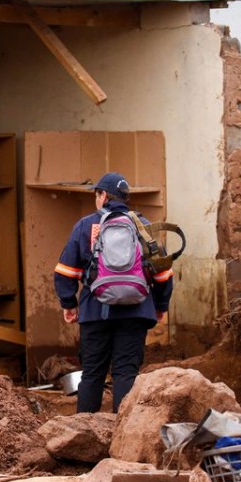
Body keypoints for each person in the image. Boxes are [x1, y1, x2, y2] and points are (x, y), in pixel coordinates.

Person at [53, 172, 174, 413]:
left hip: (95, 311)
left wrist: (69, 304)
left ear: (103, 195)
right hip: (136, 311)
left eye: (97, 194)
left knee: (92, 373)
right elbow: (163, 274)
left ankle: (82, 434)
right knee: (126, 372)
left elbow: (66, 271)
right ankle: (124, 436)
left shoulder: (86, 226)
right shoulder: (144, 226)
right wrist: (160, 306)